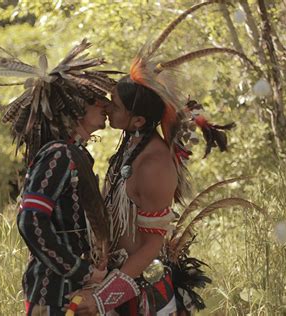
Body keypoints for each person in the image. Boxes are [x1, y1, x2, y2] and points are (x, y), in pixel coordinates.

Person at [69, 2, 251, 315]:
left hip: (142, 291)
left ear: (138, 120)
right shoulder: (132, 145)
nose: (109, 108)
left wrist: (104, 298)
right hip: (117, 279)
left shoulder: (154, 164)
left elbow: (152, 244)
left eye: (115, 105)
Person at [0, 39, 115, 315]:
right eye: (96, 100)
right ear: (76, 107)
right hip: (54, 294)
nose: (104, 106)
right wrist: (79, 269)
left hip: (73, 291)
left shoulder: (75, 155)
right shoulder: (59, 155)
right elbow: (30, 219)